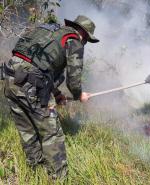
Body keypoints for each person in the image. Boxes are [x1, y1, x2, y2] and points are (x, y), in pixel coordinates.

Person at [3, 15, 99, 179]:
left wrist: (57, 94)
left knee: (27, 130)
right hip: (32, 83)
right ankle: (59, 178)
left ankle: (34, 172)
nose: (84, 43)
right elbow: (73, 81)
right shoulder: (74, 40)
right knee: (52, 133)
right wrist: (79, 95)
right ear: (83, 32)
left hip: (10, 77)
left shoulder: (48, 31)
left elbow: (39, 66)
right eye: (87, 40)